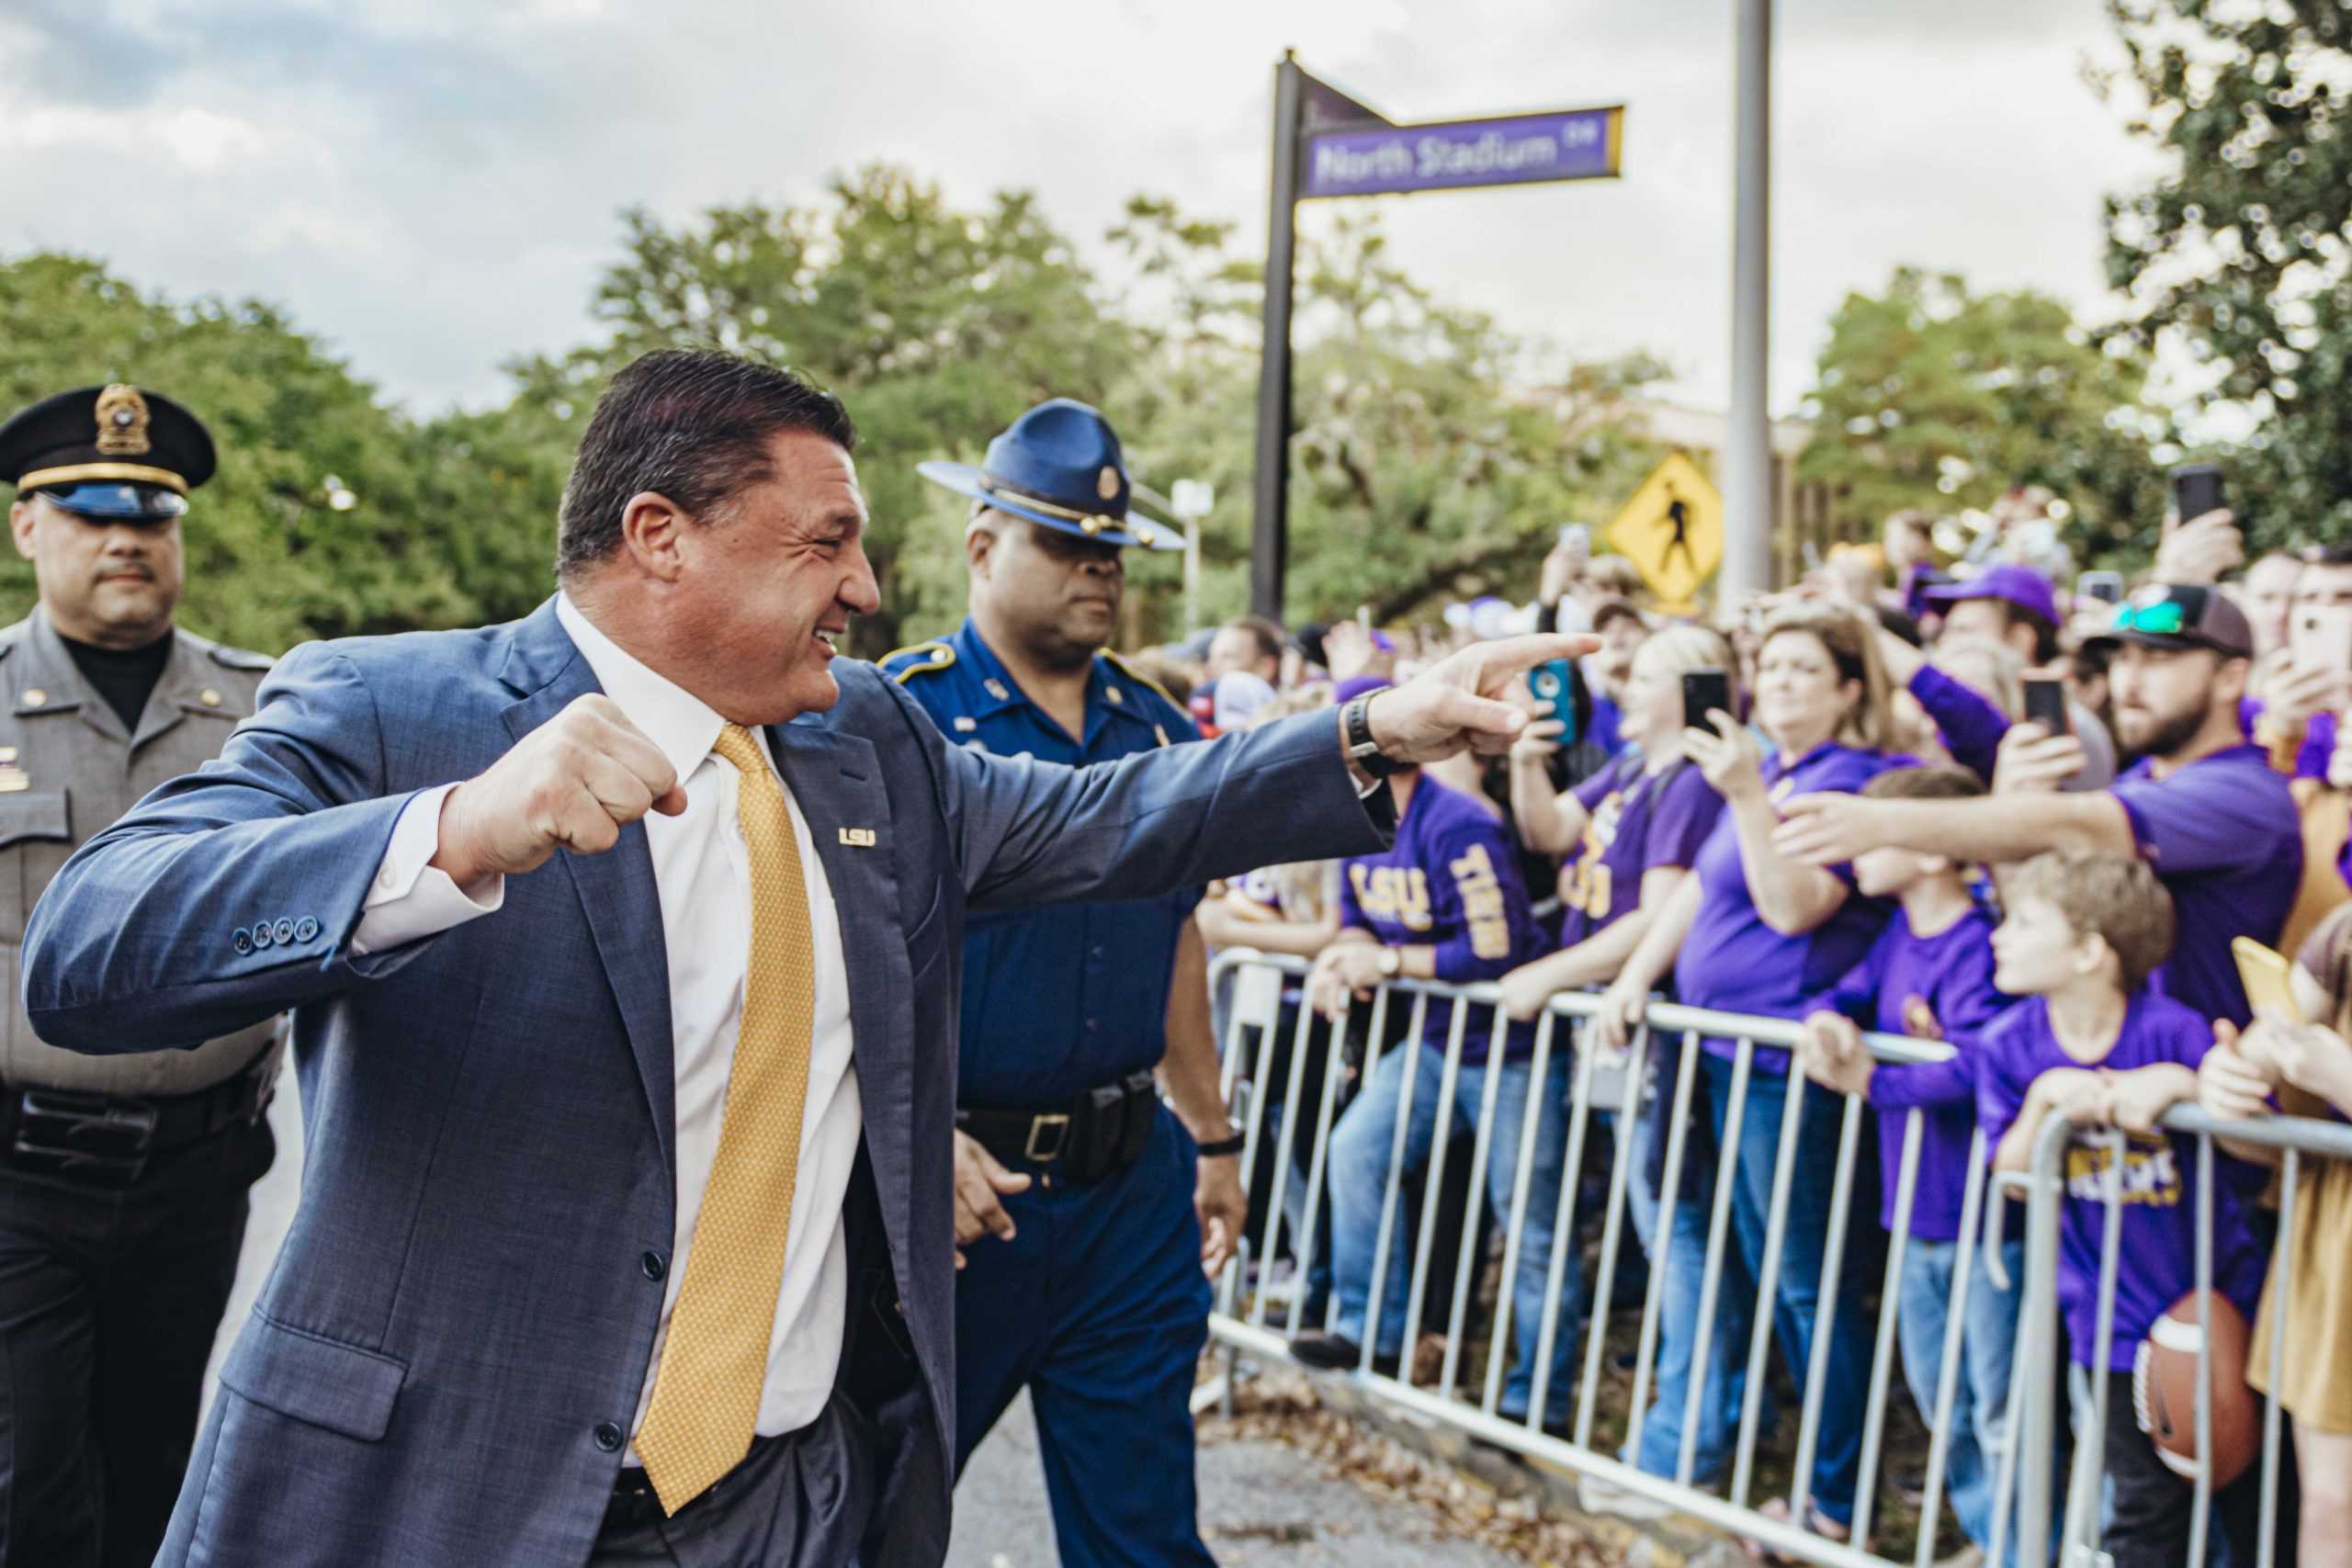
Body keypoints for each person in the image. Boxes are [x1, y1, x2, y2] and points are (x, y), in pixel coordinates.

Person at [17, 348, 1588, 1568]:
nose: (869, 586)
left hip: (774, 1500)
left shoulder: (871, 747)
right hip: (456, 1491)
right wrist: (449, 833)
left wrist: (1369, 727)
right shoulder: (395, 709)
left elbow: (1108, 816)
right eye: (828, 541)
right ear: (662, 540)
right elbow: (95, 944)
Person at [887, 399, 1239, 1568]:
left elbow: (1177, 935)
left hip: (1127, 1190)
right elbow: (819, 959)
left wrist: (1214, 1134)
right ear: (983, 547)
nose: (1099, 570)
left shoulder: (1157, 728)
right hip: (957, 1191)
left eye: (1112, 551)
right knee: (873, 1517)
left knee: (1144, 1540)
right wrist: (897, 1136)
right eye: (1065, 544)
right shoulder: (897, 719)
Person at [0, 385, 283, 1568]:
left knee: (160, 1476)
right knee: (30, 1494)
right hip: (17, 1183)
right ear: (28, 529)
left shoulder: (265, 710)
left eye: (153, 516)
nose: (126, 537)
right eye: (88, 511)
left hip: (198, 1175)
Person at [1593, 601, 1904, 1540]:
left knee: (1810, 1283)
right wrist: (1636, 975)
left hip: (1786, 1067)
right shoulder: (1767, 767)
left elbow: (1795, 908)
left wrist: (1743, 798)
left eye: (1805, 669)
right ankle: (1788, 1464)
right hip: (1717, 1054)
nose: (1779, 683)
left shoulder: (1860, 781)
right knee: (1759, 1274)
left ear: (1850, 688)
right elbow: (1695, 886)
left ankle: (1834, 1499)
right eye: (1769, 667)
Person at [1776, 583, 2302, 1029]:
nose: (2130, 681)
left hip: (2193, 1093)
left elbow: (2082, 826)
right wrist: (2012, 799)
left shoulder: (2246, 794)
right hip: (2099, 1086)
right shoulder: (2140, 775)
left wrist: (1883, 822)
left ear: (2231, 678)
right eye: (2123, 658)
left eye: (2159, 659)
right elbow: (2033, 905)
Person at [1979, 851, 2274, 1568]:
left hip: (2217, 1306)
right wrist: (2046, 1101)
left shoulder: (2173, 1032)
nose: (1997, 935)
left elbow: (2266, 1150)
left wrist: (2187, 1086)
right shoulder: (2010, 1046)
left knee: (2249, 1497)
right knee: (2142, 1508)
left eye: (2021, 920)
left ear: (2088, 951)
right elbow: (2011, 1178)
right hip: (2106, 1322)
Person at [1288, 724, 1581, 1438]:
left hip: (1512, 1052)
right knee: (1355, 1150)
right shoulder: (1355, 825)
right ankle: (1370, 1328)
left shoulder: (1461, 825)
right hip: (1434, 1041)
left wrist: (1387, 966)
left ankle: (1536, 1396)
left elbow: (1495, 947)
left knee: (1531, 1223)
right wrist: (1343, 958)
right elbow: (1356, 922)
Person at [1792, 765, 2022, 1566]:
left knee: (1997, 1401)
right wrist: (1825, 1019)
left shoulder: (1980, 944)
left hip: (1981, 1220)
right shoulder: (1896, 934)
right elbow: (1845, 989)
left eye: (1873, 826)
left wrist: (1875, 1082)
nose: (1854, 846)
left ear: (1932, 850)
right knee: (1938, 1393)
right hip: (1913, 1209)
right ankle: (1984, 1528)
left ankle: (2016, 1542)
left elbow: (1977, 1060)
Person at [2199, 903, 2352, 1568]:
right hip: (2339, 1248)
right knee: (2332, 1503)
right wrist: (2226, 1083)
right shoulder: (2345, 933)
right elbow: (2265, 1051)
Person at [1923, 564, 2117, 788]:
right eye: (1946, 631)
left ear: (2019, 640)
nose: (1946, 645)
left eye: (1963, 631)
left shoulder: (2058, 727)